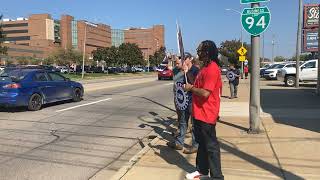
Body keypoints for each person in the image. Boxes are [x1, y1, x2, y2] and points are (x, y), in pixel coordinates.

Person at [184, 40, 224, 180]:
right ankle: (201, 171)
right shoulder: (204, 68)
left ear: (207, 52)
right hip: (198, 113)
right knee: (202, 144)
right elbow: (197, 84)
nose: (198, 52)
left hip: (207, 114)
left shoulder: (212, 68)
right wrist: (187, 73)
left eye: (200, 50)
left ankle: (217, 177)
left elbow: (205, 93)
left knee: (211, 147)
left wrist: (191, 89)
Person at [168, 52, 199, 154]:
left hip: (192, 100)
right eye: (181, 58)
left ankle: (195, 145)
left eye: (185, 58)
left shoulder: (195, 70)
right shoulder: (178, 70)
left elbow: (194, 84)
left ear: (190, 59)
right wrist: (181, 70)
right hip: (181, 100)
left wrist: (187, 72)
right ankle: (179, 143)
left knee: (194, 124)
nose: (183, 60)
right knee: (182, 122)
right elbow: (174, 79)